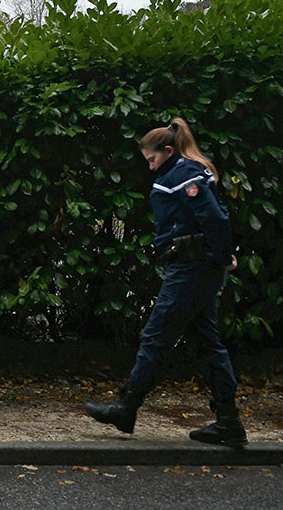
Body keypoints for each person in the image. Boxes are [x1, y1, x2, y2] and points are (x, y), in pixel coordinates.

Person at [83, 117, 247, 448]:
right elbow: (214, 216)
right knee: (208, 342)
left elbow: (213, 217)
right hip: (197, 267)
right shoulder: (187, 171)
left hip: (190, 268)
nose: (151, 166)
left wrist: (221, 255)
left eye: (152, 159)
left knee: (155, 337)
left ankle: (126, 408)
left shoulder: (182, 174)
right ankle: (228, 421)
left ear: (168, 151)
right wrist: (221, 256)